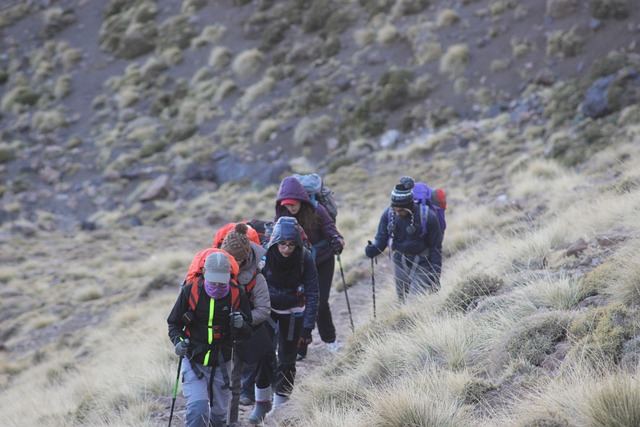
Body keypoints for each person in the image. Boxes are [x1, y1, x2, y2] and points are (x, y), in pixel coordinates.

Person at [248, 216, 319, 424]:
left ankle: (280, 407)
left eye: (291, 244)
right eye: (282, 244)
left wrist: (307, 327)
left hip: (293, 314)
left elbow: (313, 292)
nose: (286, 249)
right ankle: (261, 404)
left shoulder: (305, 258)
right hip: (266, 312)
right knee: (263, 356)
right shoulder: (264, 256)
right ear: (275, 242)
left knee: (287, 360)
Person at [167, 250, 246, 427]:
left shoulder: (236, 293)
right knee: (198, 411)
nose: (217, 286)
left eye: (221, 282)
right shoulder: (190, 291)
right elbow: (174, 323)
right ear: (204, 274)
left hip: (222, 361)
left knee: (219, 417)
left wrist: (242, 325)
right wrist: (178, 342)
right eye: (213, 281)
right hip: (194, 359)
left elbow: (247, 331)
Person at [274, 175, 344, 359]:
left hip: (322, 260)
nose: (291, 207)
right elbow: (275, 236)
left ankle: (330, 341)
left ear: (300, 199)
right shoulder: (282, 214)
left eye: (293, 203)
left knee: (320, 303)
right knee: (299, 305)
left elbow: (331, 229)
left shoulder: (316, 209)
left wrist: (337, 241)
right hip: (298, 264)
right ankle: (300, 348)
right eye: (287, 204)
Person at [219, 223, 272, 425]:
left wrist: (244, 321)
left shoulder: (255, 278)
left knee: (233, 383)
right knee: (214, 382)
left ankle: (231, 422)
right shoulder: (213, 270)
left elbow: (264, 310)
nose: (232, 263)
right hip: (212, 335)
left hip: (241, 337)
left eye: (236, 259)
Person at [365, 176, 443, 303]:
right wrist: (373, 250)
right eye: (394, 209)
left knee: (415, 302)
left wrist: (435, 276)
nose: (397, 213)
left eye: (400, 210)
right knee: (402, 301)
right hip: (400, 262)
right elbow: (381, 239)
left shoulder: (428, 217)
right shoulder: (388, 214)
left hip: (423, 262)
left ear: (409, 206)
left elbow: (436, 249)